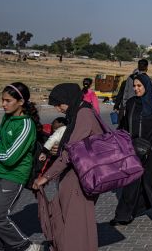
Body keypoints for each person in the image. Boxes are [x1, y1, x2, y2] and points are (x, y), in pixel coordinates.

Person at [32, 83, 104, 251]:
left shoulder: (84, 114)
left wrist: (46, 177)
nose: (58, 109)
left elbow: (71, 152)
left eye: (59, 104)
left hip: (80, 180)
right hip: (74, 178)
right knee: (68, 222)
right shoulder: (78, 113)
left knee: (75, 228)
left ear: (69, 99)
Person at [0, 82, 41, 251]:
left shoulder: (25, 125)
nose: (3, 104)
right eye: (2, 100)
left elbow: (9, 157)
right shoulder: (6, 118)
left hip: (13, 176)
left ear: (20, 102)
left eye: (8, 100)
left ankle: (26, 246)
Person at [110, 74, 152, 225]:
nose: (136, 89)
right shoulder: (131, 103)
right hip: (134, 148)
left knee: (149, 181)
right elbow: (125, 125)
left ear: (147, 86)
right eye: (134, 86)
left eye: (139, 86)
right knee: (131, 180)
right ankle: (123, 215)